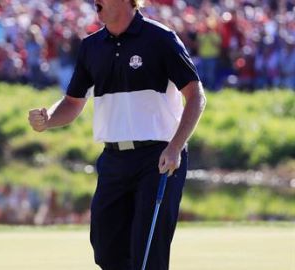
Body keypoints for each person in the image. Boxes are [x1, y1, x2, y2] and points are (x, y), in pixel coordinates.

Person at [28, 0, 206, 269]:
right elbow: (73, 103)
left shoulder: (161, 38)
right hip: (113, 160)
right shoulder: (91, 46)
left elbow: (196, 96)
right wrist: (48, 119)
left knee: (147, 256)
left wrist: (175, 146)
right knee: (106, 251)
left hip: (158, 159)